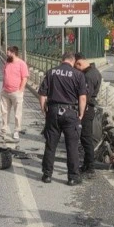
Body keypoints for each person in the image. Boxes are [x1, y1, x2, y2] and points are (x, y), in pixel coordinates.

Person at [38, 52, 87, 186]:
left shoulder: (51, 72)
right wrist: (81, 114)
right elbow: (82, 97)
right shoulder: (78, 75)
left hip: (53, 111)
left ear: (62, 60)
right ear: (72, 61)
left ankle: (47, 175)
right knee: (72, 146)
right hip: (70, 112)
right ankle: (73, 177)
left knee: (50, 145)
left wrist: (44, 110)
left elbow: (42, 94)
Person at [0, 46, 29, 140]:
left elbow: (25, 78)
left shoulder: (22, 64)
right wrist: (3, 88)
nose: (7, 54)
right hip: (5, 91)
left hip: (16, 92)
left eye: (8, 52)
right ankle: (3, 129)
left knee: (17, 113)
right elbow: (5, 75)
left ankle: (16, 131)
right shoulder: (7, 63)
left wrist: (20, 90)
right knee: (4, 112)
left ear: (13, 53)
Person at [74, 53, 102, 175]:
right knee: (86, 138)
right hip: (89, 108)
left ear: (79, 63)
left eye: (76, 67)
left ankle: (90, 166)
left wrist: (80, 113)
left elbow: (84, 96)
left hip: (86, 109)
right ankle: (86, 164)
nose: (76, 70)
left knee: (86, 138)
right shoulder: (94, 71)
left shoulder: (88, 76)